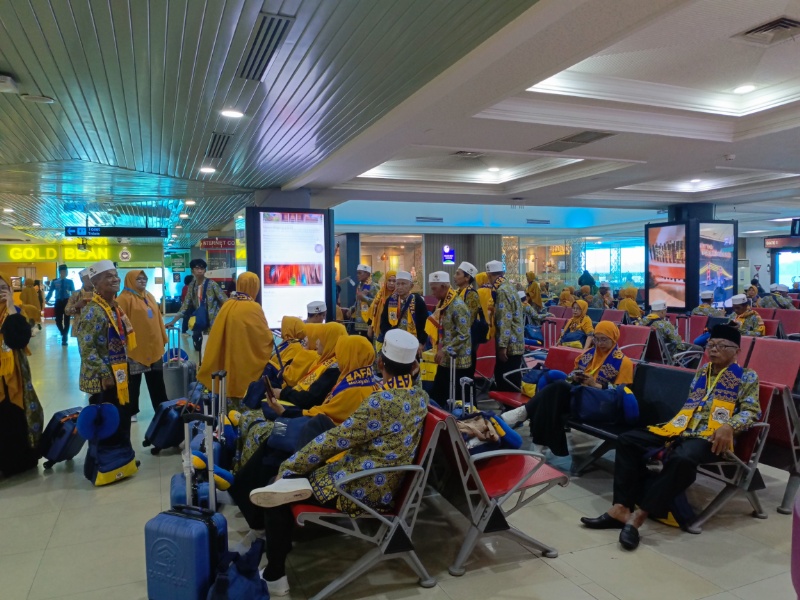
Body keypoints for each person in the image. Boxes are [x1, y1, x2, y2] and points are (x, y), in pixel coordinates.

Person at [248, 328, 429, 596]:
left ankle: (275, 575)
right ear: (414, 366)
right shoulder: (419, 398)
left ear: (381, 363)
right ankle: (278, 556)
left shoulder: (380, 401)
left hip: (360, 485)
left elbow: (336, 440)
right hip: (386, 478)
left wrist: (288, 467)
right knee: (286, 482)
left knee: (276, 493)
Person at [580, 324, 760, 550]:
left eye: (721, 346)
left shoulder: (746, 376)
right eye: (711, 345)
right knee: (628, 440)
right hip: (681, 428)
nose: (713, 350)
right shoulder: (703, 371)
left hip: (711, 438)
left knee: (683, 459)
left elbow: (752, 411)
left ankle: (639, 517)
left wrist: (729, 425)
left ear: (737, 351)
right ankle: (620, 509)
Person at [230, 334, 380, 534]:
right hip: (321, 436)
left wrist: (285, 412)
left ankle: (247, 499)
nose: (339, 358)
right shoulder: (358, 381)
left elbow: (323, 415)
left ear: (351, 356)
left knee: (273, 449)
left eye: (343, 353)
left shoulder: (356, 390)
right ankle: (243, 492)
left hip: (329, 450)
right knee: (272, 443)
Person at [502, 321, 634, 456]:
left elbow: (621, 393)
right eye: (596, 339)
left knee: (557, 388)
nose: (599, 343)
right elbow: (571, 376)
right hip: (581, 397)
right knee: (551, 400)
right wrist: (575, 378)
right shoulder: (589, 354)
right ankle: (538, 446)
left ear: (613, 338)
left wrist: (595, 385)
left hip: (600, 404)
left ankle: (525, 412)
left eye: (604, 339)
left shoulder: (623, 362)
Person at [77, 260, 138, 479]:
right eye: (108, 277)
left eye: (115, 275)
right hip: (105, 379)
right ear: (95, 283)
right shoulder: (94, 311)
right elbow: (86, 346)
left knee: (122, 416)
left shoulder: (114, 307)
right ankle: (105, 463)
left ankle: (123, 457)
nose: (114, 279)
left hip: (119, 373)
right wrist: (104, 373)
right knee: (108, 422)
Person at [197, 272, 273, 410]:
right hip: (245, 364)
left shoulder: (228, 304)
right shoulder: (253, 307)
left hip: (227, 361)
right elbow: (265, 338)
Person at [0, 272, 44, 477]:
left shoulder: (15, 313)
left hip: (13, 376)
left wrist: (10, 309)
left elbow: (19, 340)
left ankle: (17, 463)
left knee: (13, 414)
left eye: (3, 288)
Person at [116, 271, 169, 421]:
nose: (142, 281)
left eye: (144, 278)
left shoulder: (149, 296)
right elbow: (120, 325)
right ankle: (131, 411)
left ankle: (162, 407)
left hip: (153, 346)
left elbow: (158, 318)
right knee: (133, 382)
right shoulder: (123, 299)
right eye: (138, 279)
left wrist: (162, 337)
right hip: (135, 348)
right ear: (130, 280)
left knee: (157, 381)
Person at [274, 322, 348, 410]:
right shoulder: (325, 362)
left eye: (320, 338)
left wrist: (283, 393)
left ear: (329, 341)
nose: (317, 342)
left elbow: (310, 399)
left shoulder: (335, 369)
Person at [426, 271, 471, 405]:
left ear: (444, 287)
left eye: (434, 289)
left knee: (458, 400)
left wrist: (445, 349)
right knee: (438, 395)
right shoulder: (443, 304)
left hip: (458, 361)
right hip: (446, 359)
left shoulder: (457, 305)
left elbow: (464, 334)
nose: (432, 293)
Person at [166, 258, 228, 352]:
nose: (200, 270)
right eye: (197, 268)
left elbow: (225, 300)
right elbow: (185, 305)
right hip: (200, 322)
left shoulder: (212, 284)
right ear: (192, 270)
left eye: (202, 268)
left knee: (210, 350)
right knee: (203, 349)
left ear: (205, 270)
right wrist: (173, 321)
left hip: (213, 322)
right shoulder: (192, 286)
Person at [486, 260, 524, 392]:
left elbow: (504, 319)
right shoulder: (509, 287)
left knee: (506, 382)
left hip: (509, 346)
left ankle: (510, 412)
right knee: (511, 379)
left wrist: (502, 346)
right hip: (516, 340)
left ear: (489, 275)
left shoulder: (501, 291)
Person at [378, 270, 428, 353]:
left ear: (411, 286)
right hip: (394, 343)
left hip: (413, 343)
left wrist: (421, 342)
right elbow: (384, 322)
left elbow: (425, 323)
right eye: (398, 284)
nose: (399, 287)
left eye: (403, 284)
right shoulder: (390, 300)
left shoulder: (417, 301)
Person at [454, 262, 483, 376]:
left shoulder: (471, 295)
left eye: (458, 274)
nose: (454, 276)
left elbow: (468, 321)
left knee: (465, 375)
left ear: (467, 278)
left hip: (467, 341)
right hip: (456, 339)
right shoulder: (456, 293)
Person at [45, 264, 76, 345]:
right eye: (64, 271)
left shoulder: (70, 282)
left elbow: (73, 293)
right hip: (58, 302)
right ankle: (63, 332)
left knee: (67, 320)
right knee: (58, 320)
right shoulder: (54, 281)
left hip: (67, 301)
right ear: (60, 272)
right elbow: (51, 292)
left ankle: (64, 337)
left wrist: (74, 302)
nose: (65, 272)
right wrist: (47, 299)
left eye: (66, 271)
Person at [366, 270, 396, 343]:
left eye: (394, 281)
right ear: (386, 281)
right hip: (378, 329)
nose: (391, 283)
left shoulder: (398, 297)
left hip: (393, 331)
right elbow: (373, 309)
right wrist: (370, 326)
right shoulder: (380, 294)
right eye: (389, 280)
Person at [65, 269, 95, 340]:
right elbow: (67, 311)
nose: (91, 280)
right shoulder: (76, 294)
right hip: (80, 328)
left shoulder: (99, 294)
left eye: (92, 277)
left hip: (96, 328)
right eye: (88, 278)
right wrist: (76, 306)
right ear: (82, 280)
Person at [350, 264, 375, 337]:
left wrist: (364, 298)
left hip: (368, 323)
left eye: (360, 273)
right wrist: (352, 309)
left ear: (367, 274)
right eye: (357, 273)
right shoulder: (359, 286)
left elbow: (377, 303)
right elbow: (358, 302)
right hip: (358, 322)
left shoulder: (373, 286)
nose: (357, 275)